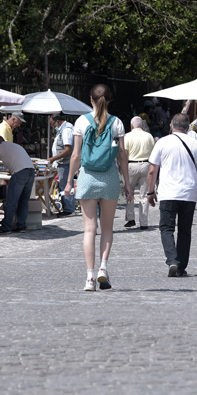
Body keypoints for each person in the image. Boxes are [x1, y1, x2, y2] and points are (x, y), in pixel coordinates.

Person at [64, 84, 131, 291]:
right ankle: (103, 268)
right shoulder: (116, 123)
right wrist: (127, 183)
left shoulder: (81, 122)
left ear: (90, 99)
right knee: (108, 228)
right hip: (109, 177)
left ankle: (89, 277)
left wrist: (68, 182)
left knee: (89, 229)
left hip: (87, 176)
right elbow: (122, 155)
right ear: (109, 100)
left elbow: (75, 155)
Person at [146, 113, 197, 277]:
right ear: (188, 127)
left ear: (171, 125)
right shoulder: (195, 143)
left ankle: (172, 261)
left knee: (166, 228)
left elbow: (152, 170)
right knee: (184, 231)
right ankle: (181, 266)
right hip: (189, 193)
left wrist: (150, 191)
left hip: (168, 192)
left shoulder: (162, 142)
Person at [123, 116, 155, 229]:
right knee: (144, 194)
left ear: (132, 125)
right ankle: (144, 222)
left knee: (129, 191)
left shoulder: (127, 136)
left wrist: (122, 167)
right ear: (141, 125)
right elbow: (153, 151)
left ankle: (131, 218)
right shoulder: (148, 136)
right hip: (146, 164)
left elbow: (125, 153)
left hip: (131, 165)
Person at [46, 114, 76, 217]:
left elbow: (68, 149)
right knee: (64, 185)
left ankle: (68, 208)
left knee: (66, 185)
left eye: (53, 124)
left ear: (58, 121)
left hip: (65, 163)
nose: (53, 126)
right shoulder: (62, 129)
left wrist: (53, 159)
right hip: (62, 162)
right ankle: (67, 207)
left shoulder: (66, 130)